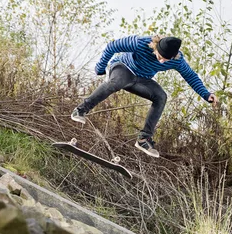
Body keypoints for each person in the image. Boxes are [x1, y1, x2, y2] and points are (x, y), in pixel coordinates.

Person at [70, 35, 218, 158]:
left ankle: (144, 138)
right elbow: (112, 46)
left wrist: (206, 94)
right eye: (160, 56)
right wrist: (101, 67)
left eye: (165, 60)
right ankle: (81, 110)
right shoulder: (141, 43)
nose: (161, 61)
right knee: (116, 82)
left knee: (161, 96)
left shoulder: (177, 60)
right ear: (156, 47)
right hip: (123, 68)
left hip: (142, 80)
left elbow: (190, 76)